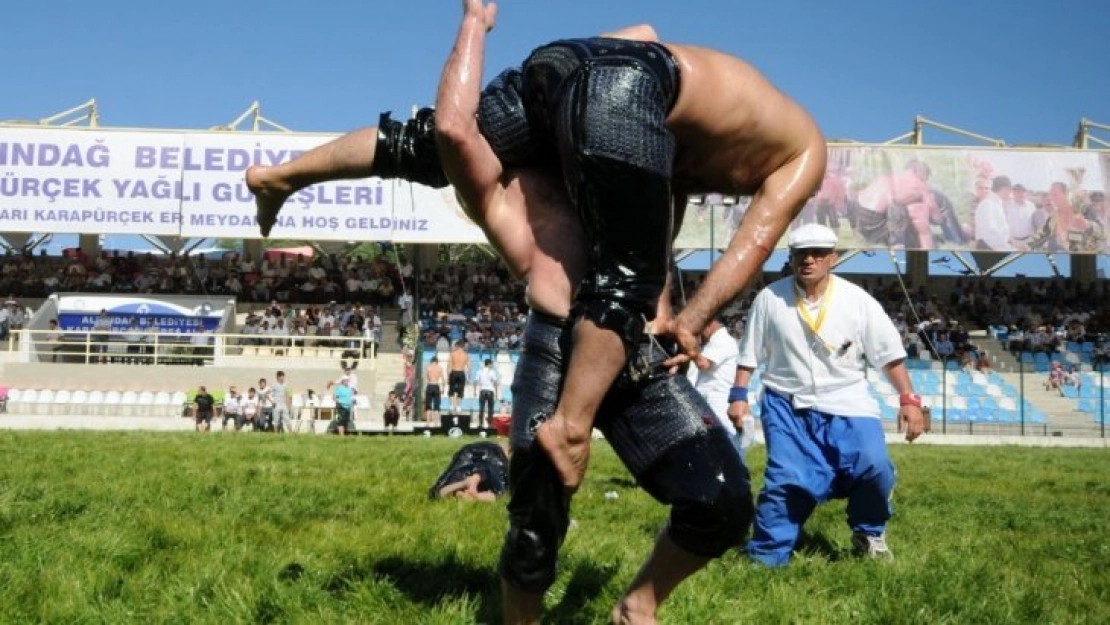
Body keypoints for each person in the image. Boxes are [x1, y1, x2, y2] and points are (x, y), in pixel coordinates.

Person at [435, 6, 753, 622]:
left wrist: (668, 315)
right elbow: (452, 130)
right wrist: (475, 20)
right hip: (557, 345)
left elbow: (643, 40)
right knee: (536, 520)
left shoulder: (632, 146)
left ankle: (639, 605)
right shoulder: (511, 188)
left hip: (633, 352)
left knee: (723, 498)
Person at [455, 4, 826, 494]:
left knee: (439, 143)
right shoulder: (806, 152)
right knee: (620, 286)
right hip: (624, 82)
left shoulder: (699, 124)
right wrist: (688, 325)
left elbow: (658, 216)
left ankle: (315, 171)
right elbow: (753, 244)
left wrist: (666, 310)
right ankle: (570, 426)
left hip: (565, 66)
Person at [727, 223, 926, 567]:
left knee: (876, 468)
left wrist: (909, 400)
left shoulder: (858, 301)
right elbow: (749, 353)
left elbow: (889, 355)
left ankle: (869, 532)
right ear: (790, 258)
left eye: (818, 253)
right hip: (786, 401)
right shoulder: (769, 298)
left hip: (847, 399)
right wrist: (739, 394)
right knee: (786, 481)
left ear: (833, 258)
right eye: (801, 254)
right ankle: (766, 557)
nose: (809, 260)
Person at [686, 318, 748, 460]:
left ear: (709, 324)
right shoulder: (713, 342)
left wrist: (689, 347)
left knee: (727, 443)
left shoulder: (722, 341)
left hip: (719, 402)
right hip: (708, 401)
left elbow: (703, 363)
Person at [430, 441, 510, 502]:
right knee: (502, 493)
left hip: (468, 450)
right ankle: (473, 485)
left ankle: (466, 484)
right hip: (494, 452)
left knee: (435, 493)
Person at [447, 340, 469, 415]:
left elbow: (449, 366)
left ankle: (452, 407)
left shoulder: (452, 354)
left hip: (454, 371)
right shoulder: (465, 355)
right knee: (460, 390)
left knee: (451, 391)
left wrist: (448, 376)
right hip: (461, 372)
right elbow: (469, 367)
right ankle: (459, 407)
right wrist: (468, 377)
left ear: (457, 346)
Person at [475, 358, 499, 428]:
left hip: (482, 390)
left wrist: (474, 391)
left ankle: (480, 423)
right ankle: (490, 424)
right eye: (491, 364)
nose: (492, 365)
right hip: (490, 391)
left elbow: (476, 381)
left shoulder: (479, 371)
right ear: (489, 364)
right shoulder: (492, 372)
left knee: (481, 408)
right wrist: (497, 392)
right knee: (490, 408)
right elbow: (495, 382)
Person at [424, 355, 445, 426]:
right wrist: (443, 389)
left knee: (428, 405)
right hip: (436, 385)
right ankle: (435, 423)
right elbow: (443, 379)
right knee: (436, 405)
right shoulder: (440, 368)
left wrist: (424, 389)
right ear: (437, 361)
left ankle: (427, 422)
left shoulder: (428, 367)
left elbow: (425, 378)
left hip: (430, 385)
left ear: (431, 361)